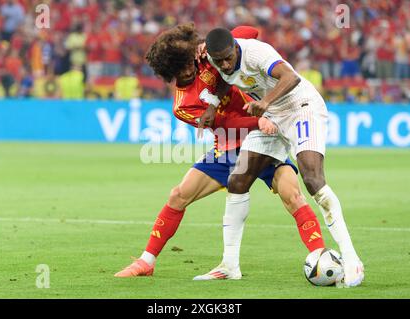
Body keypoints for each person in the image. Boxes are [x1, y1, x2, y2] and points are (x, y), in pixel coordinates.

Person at [115, 24, 325, 279]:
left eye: (188, 61)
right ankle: (146, 261)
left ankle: (321, 258)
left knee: (292, 195)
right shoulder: (182, 106)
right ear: (170, 72)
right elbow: (223, 124)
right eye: (181, 67)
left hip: (263, 138)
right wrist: (257, 121)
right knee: (179, 195)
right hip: (230, 143)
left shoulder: (208, 58)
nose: (190, 67)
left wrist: (209, 41)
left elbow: (251, 33)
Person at [198, 28, 363, 287]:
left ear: (236, 48)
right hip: (271, 115)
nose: (225, 64)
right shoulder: (215, 59)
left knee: (312, 180)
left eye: (229, 58)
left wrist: (264, 102)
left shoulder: (256, 52)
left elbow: (291, 77)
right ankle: (229, 265)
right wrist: (211, 106)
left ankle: (352, 260)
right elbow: (222, 79)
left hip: (300, 107)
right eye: (219, 61)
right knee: (238, 181)